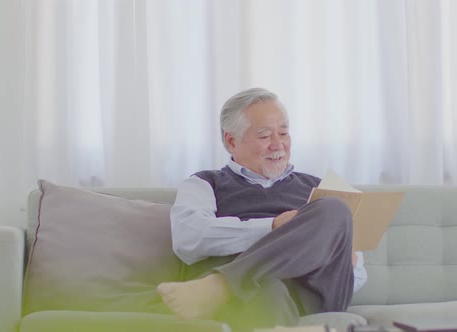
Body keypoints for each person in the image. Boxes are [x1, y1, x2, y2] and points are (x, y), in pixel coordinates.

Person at [157, 87, 367, 330]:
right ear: (231, 140)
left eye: (284, 133)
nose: (278, 145)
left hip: (312, 292)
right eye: (265, 136)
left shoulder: (318, 187)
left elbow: (356, 279)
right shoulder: (205, 183)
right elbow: (189, 239)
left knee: (334, 208)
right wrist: (272, 226)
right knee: (266, 290)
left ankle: (222, 284)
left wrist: (349, 262)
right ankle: (236, 283)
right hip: (258, 294)